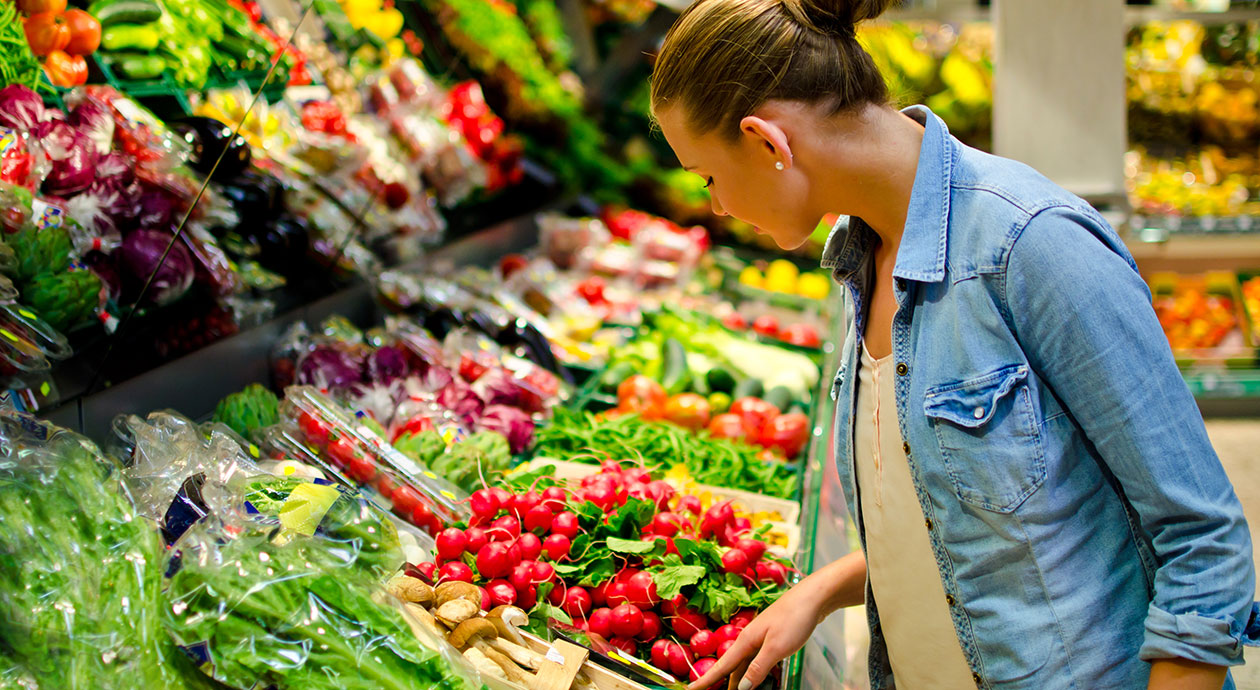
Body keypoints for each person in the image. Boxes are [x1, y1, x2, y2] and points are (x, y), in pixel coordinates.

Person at [649, 0, 1260, 688]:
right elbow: (960, 514)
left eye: (708, 178)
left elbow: (1203, 545)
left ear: (768, 143)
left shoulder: (1031, 244)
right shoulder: (859, 257)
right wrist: (819, 591)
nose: (718, 207)